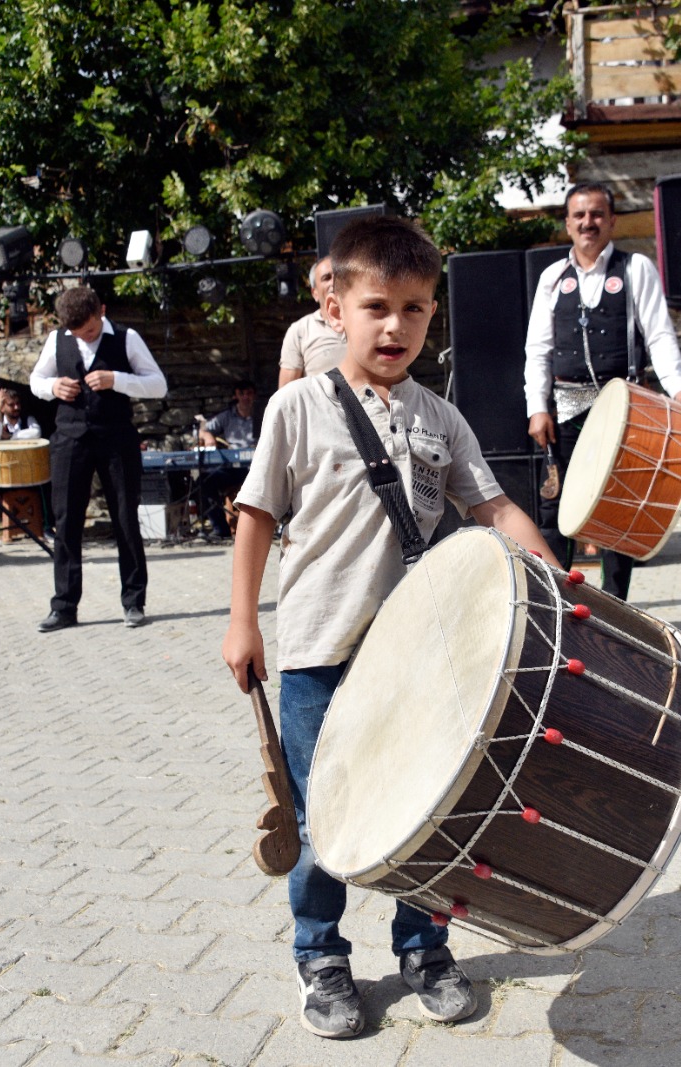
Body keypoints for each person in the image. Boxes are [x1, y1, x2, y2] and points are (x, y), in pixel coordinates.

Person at [221, 216, 559, 1040]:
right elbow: (256, 517)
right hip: (316, 651)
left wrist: (556, 583)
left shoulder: (442, 417)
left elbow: (497, 506)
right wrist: (242, 622)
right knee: (320, 815)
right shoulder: (296, 408)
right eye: (377, 306)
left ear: (431, 315)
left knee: (427, 804)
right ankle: (321, 955)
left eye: (415, 308)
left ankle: (425, 945)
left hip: (417, 654)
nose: (395, 325)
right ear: (334, 308)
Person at [523, 182, 681, 601]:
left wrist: (678, 390)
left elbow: (659, 335)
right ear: (567, 224)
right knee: (557, 507)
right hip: (566, 406)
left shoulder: (635, 268)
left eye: (597, 214)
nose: (589, 223)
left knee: (618, 507)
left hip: (623, 406)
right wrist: (537, 407)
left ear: (612, 220)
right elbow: (538, 350)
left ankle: (615, 606)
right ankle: (557, 604)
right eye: (580, 215)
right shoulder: (553, 277)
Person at [28, 286, 167, 632]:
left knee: (124, 519)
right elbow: (35, 380)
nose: (85, 338)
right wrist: (53, 388)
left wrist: (116, 380)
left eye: (90, 330)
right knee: (66, 521)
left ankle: (134, 602)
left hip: (116, 437)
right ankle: (64, 607)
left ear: (101, 311)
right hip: (69, 439)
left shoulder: (126, 337)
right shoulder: (57, 339)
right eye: (78, 334)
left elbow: (158, 385)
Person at [0, 387, 45, 549]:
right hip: (5, 476)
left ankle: (47, 528)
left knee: (45, 486)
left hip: (27, 474)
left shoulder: (27, 419)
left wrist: (12, 437)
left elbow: (36, 432)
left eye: (17, 404)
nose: (16, 408)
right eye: (10, 405)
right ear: (3, 407)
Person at [196, 380, 259, 538]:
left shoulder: (262, 415)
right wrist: (208, 436)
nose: (245, 397)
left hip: (258, 467)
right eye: (241, 393)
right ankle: (221, 529)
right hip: (234, 468)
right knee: (203, 482)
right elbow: (203, 429)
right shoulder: (227, 416)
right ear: (235, 396)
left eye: (249, 393)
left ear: (254, 396)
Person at [276, 256, 346, 388]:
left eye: (339, 276)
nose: (334, 282)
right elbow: (286, 393)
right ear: (315, 293)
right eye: (326, 278)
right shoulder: (300, 331)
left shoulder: (368, 323)